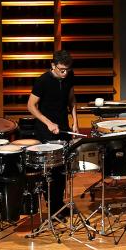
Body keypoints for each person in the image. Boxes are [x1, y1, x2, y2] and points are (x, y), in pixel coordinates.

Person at [27, 50, 78, 216]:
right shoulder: (42, 81)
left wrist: (75, 122)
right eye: (61, 70)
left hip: (63, 127)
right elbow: (31, 106)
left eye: (67, 70)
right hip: (45, 129)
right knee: (49, 170)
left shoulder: (69, 76)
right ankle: (51, 206)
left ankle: (58, 205)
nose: (65, 73)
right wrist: (48, 122)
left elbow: (71, 99)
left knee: (62, 169)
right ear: (53, 65)